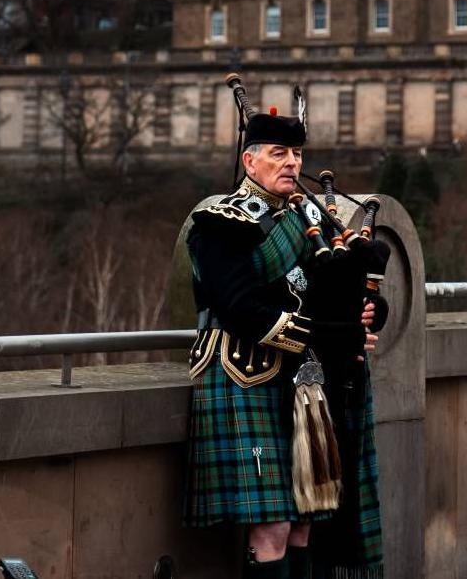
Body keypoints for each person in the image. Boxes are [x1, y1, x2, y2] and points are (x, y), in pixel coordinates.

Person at [183, 101, 388, 579]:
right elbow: (240, 308)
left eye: (296, 153)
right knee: (272, 526)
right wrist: (332, 336)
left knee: (303, 522)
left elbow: (341, 291)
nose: (292, 163)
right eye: (278, 153)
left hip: (302, 383)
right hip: (243, 376)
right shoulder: (221, 222)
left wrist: (369, 313)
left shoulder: (311, 217)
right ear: (250, 160)